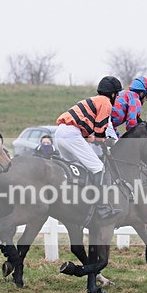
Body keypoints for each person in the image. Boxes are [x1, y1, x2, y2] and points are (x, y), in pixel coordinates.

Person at [55, 76, 121, 221]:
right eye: (117, 94)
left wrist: (95, 140)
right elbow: (99, 132)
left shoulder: (93, 100)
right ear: (112, 94)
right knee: (98, 168)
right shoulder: (106, 103)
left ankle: (76, 202)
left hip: (60, 132)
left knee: (75, 167)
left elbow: (89, 134)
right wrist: (105, 142)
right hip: (72, 134)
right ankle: (102, 207)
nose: (117, 97)